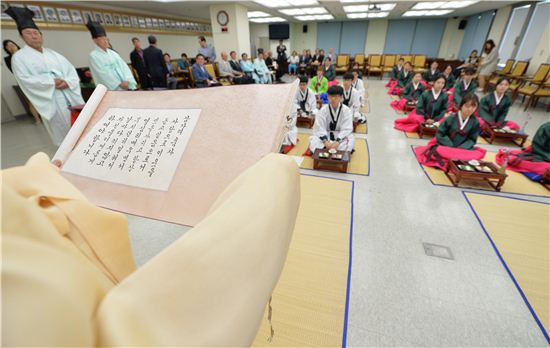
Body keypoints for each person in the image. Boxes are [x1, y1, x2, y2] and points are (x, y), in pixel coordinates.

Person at [8, 6, 84, 146]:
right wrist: (51, 82)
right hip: (52, 99)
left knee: (81, 130)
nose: (34, 36)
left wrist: (67, 82)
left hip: (69, 95)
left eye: (36, 32)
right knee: (64, 135)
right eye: (28, 33)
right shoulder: (19, 58)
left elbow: (71, 72)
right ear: (21, 36)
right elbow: (26, 80)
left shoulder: (53, 54)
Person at [415, 93, 485, 170]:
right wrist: (450, 145)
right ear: (461, 105)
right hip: (446, 146)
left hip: (462, 149)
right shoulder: (450, 118)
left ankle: (453, 160)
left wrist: (462, 147)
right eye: (467, 106)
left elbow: (472, 139)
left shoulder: (475, 122)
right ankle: (455, 161)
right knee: (437, 150)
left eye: (473, 106)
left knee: (477, 154)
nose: (470, 109)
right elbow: (440, 134)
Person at [87, 18, 137, 91]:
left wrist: (127, 80)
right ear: (95, 40)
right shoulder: (93, 56)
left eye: (106, 38)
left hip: (125, 85)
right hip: (112, 88)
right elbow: (103, 74)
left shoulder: (113, 53)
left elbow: (124, 67)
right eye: (102, 38)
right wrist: (119, 83)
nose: (105, 41)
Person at [307, 85, 354, 155]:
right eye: (331, 96)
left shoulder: (347, 111)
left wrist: (337, 142)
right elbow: (319, 127)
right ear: (328, 97)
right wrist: (326, 142)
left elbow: (347, 129)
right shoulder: (323, 110)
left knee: (350, 139)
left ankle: (325, 151)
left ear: (341, 97)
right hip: (326, 135)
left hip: (340, 135)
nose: (333, 99)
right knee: (313, 139)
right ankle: (334, 151)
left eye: (336, 97)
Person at [282, 75, 319, 154]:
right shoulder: (296, 91)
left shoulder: (311, 93)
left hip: (308, 110)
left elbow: (313, 105)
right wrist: (300, 110)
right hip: (298, 111)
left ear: (307, 84)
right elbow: (293, 102)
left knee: (317, 112)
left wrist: (309, 112)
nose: (302, 86)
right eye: (301, 84)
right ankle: (290, 138)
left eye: (304, 84)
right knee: (290, 118)